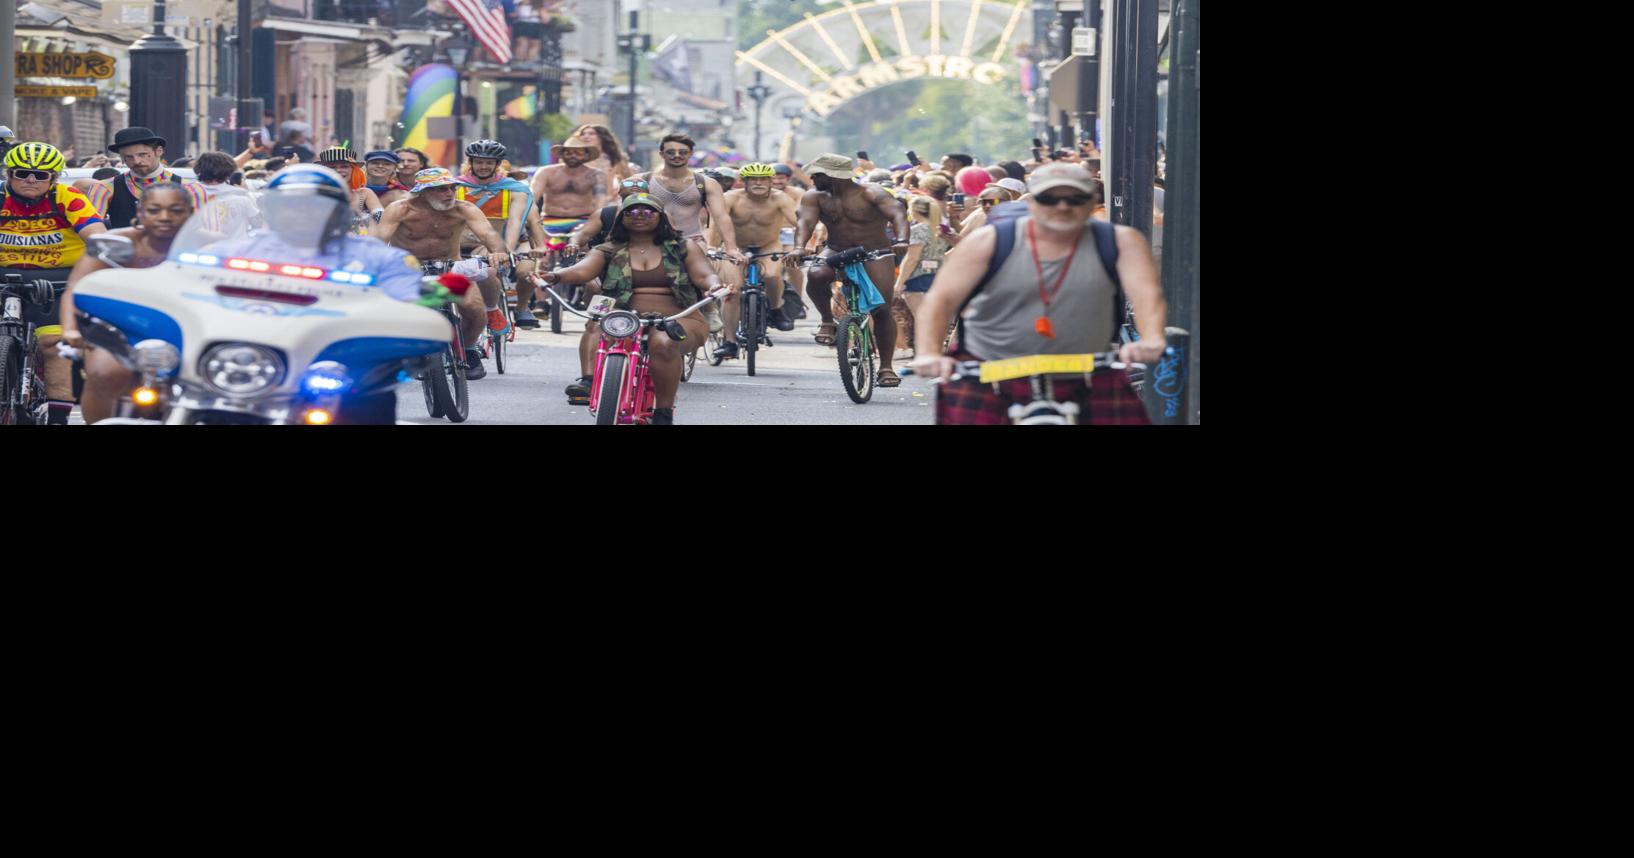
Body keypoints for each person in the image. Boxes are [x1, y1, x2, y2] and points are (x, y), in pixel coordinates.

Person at [908, 164, 1167, 425]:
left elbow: (1147, 294)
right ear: (1031, 202)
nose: (1063, 206)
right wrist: (930, 353)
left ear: (1092, 203)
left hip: (1085, 367)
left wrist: (1152, 338)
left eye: (1075, 198)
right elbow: (940, 301)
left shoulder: (1120, 241)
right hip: (990, 367)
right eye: (1049, 198)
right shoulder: (989, 241)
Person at [196, 164, 434, 422]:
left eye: (317, 203)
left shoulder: (381, 258)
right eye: (291, 204)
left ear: (340, 208)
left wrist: (411, 317)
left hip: (345, 366)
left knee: (369, 400)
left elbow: (406, 304)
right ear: (273, 209)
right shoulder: (233, 251)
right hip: (252, 362)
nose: (302, 212)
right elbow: (190, 285)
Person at [538, 194, 723, 425]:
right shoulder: (608, 249)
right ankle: (589, 379)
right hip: (623, 316)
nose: (639, 217)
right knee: (595, 325)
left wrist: (715, 285)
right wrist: (555, 276)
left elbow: (704, 274)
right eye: (631, 212)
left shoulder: (683, 247)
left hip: (680, 317)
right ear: (621, 219)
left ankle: (664, 412)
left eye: (647, 212)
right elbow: (582, 270)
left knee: (663, 343)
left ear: (661, 217)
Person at [59, 184, 193, 423]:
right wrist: (70, 328)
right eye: (154, 210)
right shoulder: (113, 243)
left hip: (183, 329)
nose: (164, 217)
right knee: (106, 373)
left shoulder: (209, 246)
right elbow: (76, 287)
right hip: (116, 328)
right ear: (140, 212)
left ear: (190, 213)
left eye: (175, 210)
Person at [1, 142, 109, 422]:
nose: (31, 180)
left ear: (54, 179)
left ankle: (58, 417)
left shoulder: (67, 198)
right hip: (4, 274)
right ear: (9, 174)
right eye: (23, 173)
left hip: (56, 278)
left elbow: (96, 234)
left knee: (53, 344)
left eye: (41, 175)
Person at [784, 153, 909, 387]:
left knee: (882, 309)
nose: (811, 178)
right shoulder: (815, 196)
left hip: (876, 252)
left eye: (817, 175)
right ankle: (827, 321)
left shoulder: (871, 192)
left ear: (834, 176)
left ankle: (885, 367)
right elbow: (805, 222)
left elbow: (898, 213)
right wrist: (799, 248)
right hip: (836, 249)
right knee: (816, 273)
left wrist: (902, 239)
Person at [375, 167, 510, 380]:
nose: (449, 193)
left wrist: (498, 252)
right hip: (409, 270)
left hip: (450, 268)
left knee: (475, 311)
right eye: (440, 189)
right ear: (423, 192)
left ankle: (468, 348)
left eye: (452, 188)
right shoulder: (400, 209)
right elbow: (379, 241)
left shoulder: (464, 208)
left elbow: (487, 234)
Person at [705, 162, 798, 360]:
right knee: (732, 290)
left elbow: (798, 221)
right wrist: (712, 247)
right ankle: (730, 342)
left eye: (763, 179)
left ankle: (775, 309)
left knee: (773, 275)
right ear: (744, 182)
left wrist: (802, 245)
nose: (758, 183)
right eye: (753, 179)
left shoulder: (780, 198)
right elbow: (717, 221)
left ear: (770, 181)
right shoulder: (731, 198)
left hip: (768, 245)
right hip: (736, 248)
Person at [456, 139, 538, 330]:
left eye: (489, 162)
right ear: (471, 163)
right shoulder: (454, 186)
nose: (483, 166)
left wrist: (505, 250)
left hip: (489, 244)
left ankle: (500, 309)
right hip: (454, 245)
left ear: (497, 164)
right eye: (478, 162)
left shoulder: (514, 189)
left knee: (494, 269)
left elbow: (515, 221)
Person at [75, 127, 209, 229]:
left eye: (143, 154)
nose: (137, 161)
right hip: (124, 261)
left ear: (159, 151)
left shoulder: (191, 189)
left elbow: (202, 229)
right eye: (129, 157)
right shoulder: (104, 188)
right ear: (122, 158)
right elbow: (91, 230)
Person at [529, 130, 606, 287]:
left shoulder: (596, 175)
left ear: (586, 155)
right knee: (542, 259)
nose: (573, 155)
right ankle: (542, 302)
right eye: (568, 152)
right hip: (550, 221)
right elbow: (531, 199)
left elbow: (600, 203)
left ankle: (586, 292)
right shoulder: (546, 172)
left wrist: (593, 226)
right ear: (562, 154)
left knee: (587, 255)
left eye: (578, 152)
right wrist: (533, 222)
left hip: (583, 221)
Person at [890, 195, 949, 363]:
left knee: (922, 319)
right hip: (938, 276)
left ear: (914, 211)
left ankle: (926, 355)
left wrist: (900, 282)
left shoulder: (918, 230)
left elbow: (912, 258)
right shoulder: (940, 228)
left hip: (918, 278)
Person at [771, 163, 808, 318]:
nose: (778, 181)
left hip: (790, 233)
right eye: (775, 178)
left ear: (788, 179)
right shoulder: (762, 193)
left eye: (782, 178)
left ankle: (797, 302)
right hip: (769, 234)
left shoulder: (797, 193)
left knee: (792, 263)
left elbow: (799, 216)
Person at [317, 147, 384, 234]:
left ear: (354, 170)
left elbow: (382, 219)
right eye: (332, 167)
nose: (338, 170)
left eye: (344, 166)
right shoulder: (316, 193)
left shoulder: (365, 193)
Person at [572, 124, 636, 198]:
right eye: (583, 134)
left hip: (607, 203)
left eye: (591, 134)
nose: (586, 136)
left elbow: (630, 180)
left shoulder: (615, 158)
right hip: (581, 203)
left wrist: (617, 194)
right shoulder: (575, 158)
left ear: (602, 137)